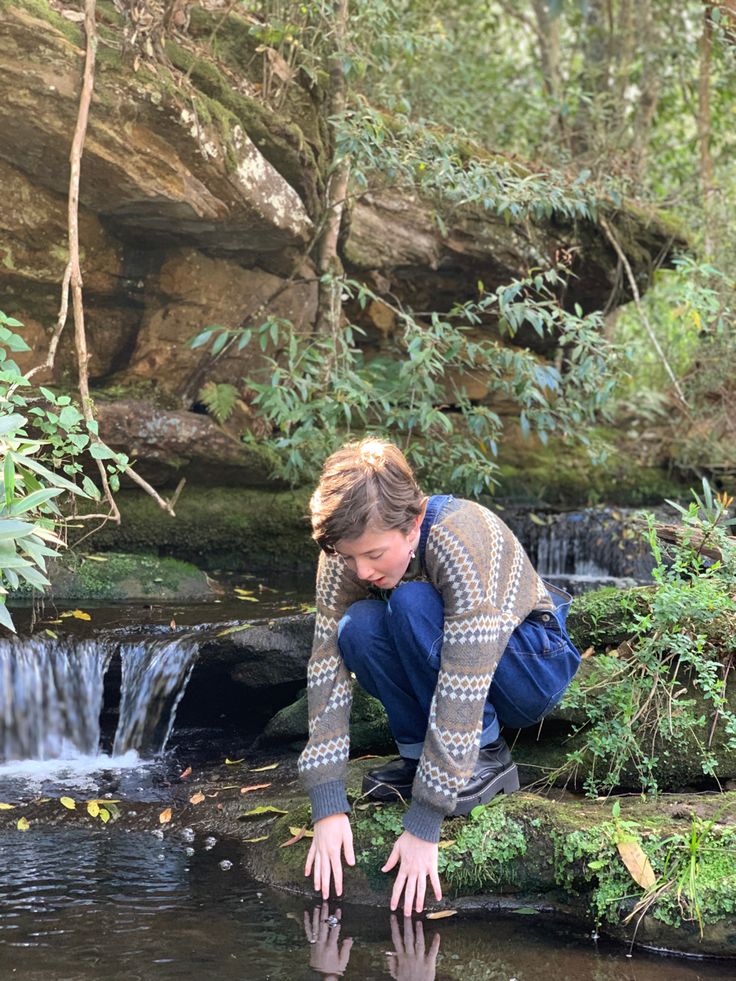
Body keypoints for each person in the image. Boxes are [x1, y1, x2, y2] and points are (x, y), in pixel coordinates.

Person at [298, 437, 581, 918]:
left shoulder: (460, 537)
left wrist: (426, 818)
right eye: (349, 558)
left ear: (410, 527)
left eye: (373, 555)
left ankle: (487, 755)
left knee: (410, 605)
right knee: (358, 627)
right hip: (454, 659)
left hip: (529, 666)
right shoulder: (346, 551)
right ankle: (415, 757)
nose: (361, 570)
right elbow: (326, 667)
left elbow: (463, 683)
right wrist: (327, 800)